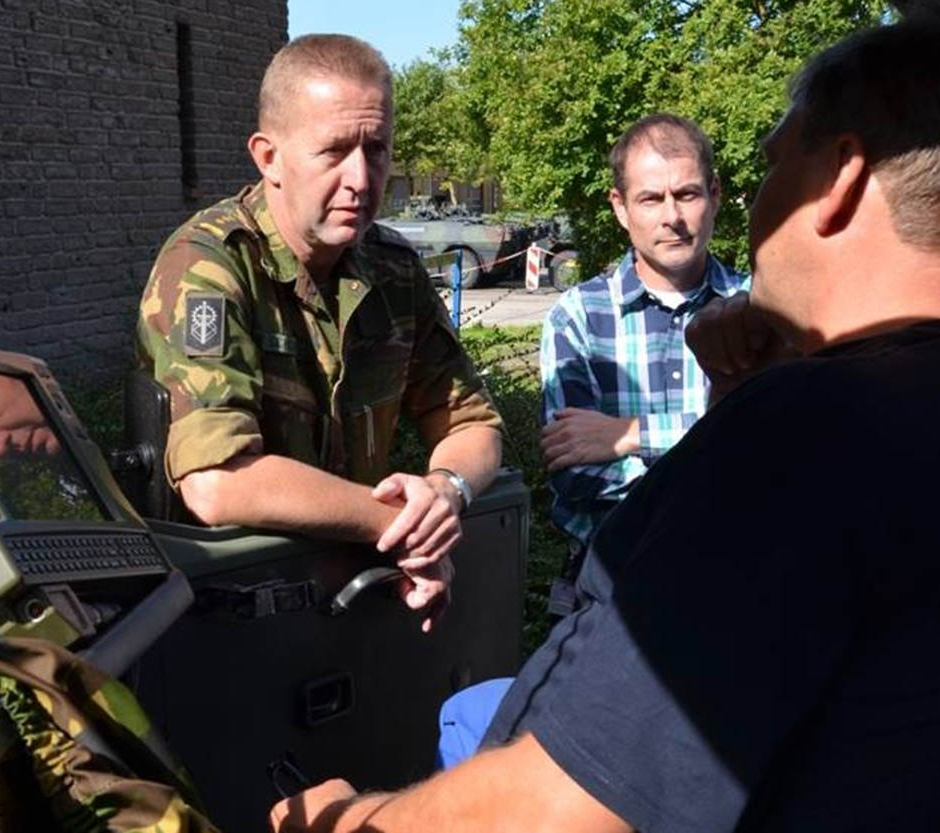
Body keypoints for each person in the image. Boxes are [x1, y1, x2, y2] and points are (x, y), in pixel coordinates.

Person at [270, 17, 940, 832]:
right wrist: (733, 395)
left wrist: (341, 819)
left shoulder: (806, 435)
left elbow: (557, 808)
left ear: (840, 177)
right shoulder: (869, 405)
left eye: (771, 164)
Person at [136, 35, 503, 630]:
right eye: (334, 151)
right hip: (227, 608)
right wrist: (402, 527)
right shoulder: (210, 265)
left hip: (353, 592)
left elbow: (471, 423)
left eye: (376, 149)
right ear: (269, 158)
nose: (361, 177)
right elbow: (216, 480)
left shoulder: (392, 268)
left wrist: (444, 491)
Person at [539, 114, 749, 552]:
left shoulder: (758, 307)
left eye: (687, 194)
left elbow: (781, 440)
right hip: (613, 579)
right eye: (651, 199)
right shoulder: (578, 317)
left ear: (714, 194)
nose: (672, 217)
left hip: (740, 573)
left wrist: (633, 434)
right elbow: (574, 472)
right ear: (620, 207)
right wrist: (725, 466)